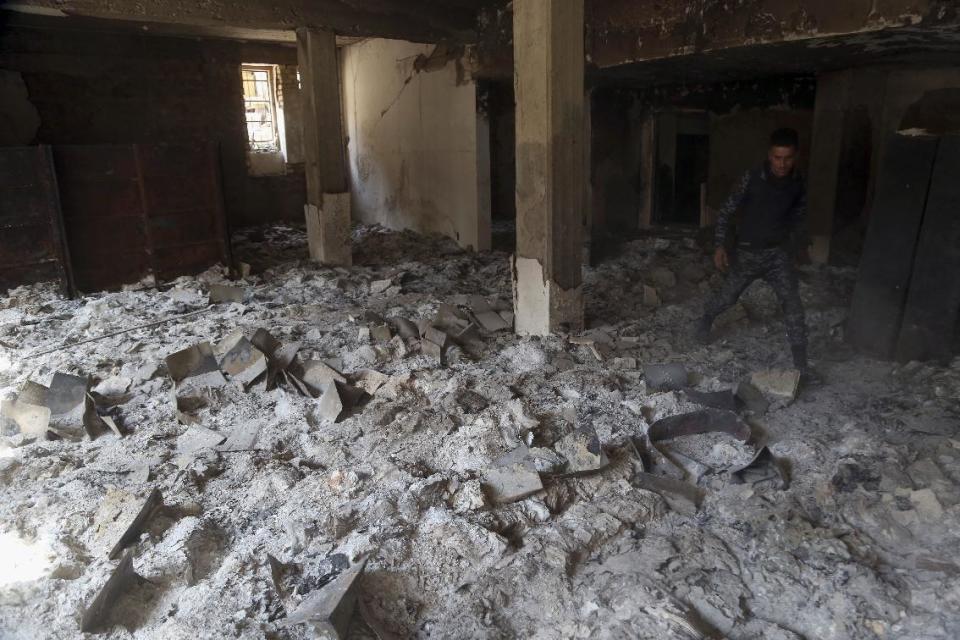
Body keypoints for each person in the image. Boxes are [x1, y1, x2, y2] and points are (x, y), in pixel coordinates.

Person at [694, 128, 817, 381]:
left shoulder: (798, 183)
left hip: (777, 256)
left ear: (796, 157)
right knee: (727, 298)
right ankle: (706, 319)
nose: (782, 164)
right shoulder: (750, 179)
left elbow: (799, 216)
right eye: (776, 158)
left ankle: (802, 365)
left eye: (788, 158)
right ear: (769, 155)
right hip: (748, 254)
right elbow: (726, 212)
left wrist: (798, 246)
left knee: (793, 305)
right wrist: (720, 246)